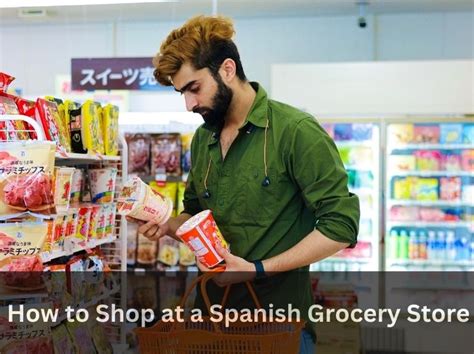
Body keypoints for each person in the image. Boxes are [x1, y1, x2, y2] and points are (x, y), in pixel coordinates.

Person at [137, 15, 360, 354]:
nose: (189, 104)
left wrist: (257, 269)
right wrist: (168, 225)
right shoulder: (203, 140)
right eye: (182, 93)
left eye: (194, 88)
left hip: (278, 330)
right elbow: (195, 216)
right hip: (209, 326)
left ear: (227, 69)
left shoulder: (295, 131)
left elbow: (341, 225)